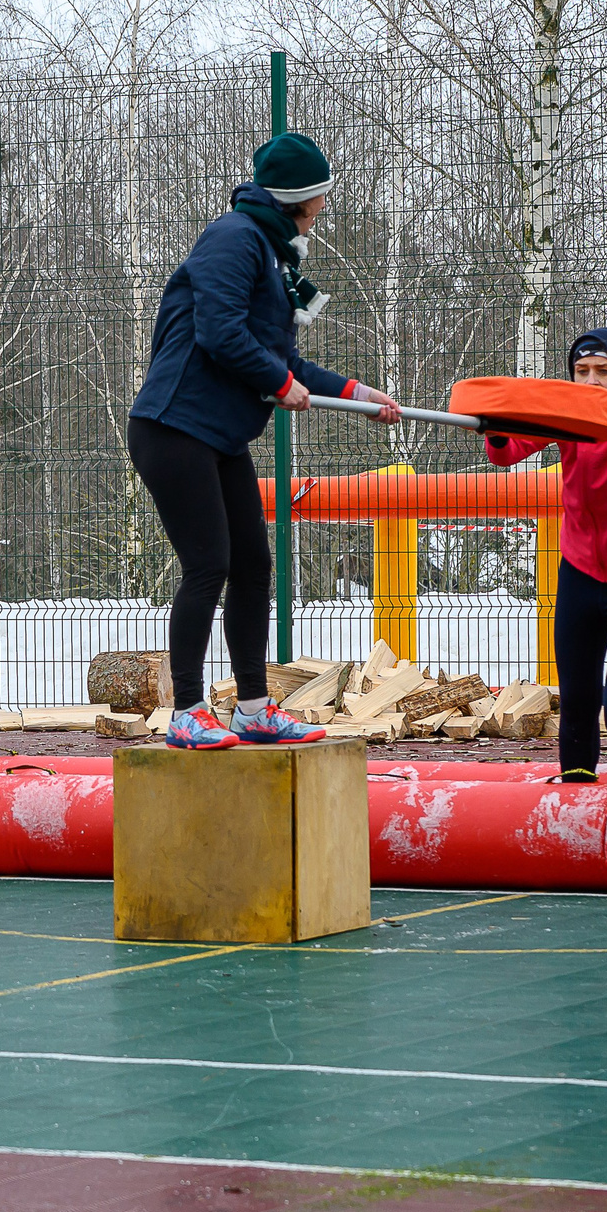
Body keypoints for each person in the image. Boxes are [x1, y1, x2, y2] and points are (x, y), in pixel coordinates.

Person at [128, 131, 404, 749]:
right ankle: (188, 712)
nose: (326, 206)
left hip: (217, 435)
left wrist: (358, 394)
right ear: (299, 198)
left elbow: (286, 361)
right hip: (174, 427)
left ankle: (252, 707)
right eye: (322, 196)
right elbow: (220, 330)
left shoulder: (272, 251)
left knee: (253, 563)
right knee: (209, 565)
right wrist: (277, 381)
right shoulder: (234, 238)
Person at [485, 328, 607, 784]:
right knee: (576, 698)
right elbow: (510, 451)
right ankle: (576, 793)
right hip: (581, 573)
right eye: (581, 371)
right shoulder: (567, 411)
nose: (590, 381)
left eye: (602, 372)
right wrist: (494, 431)